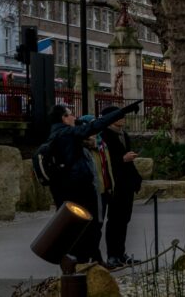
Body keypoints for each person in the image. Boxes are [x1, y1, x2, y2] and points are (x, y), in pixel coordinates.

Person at [45, 99, 139, 266]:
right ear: (63, 118)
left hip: (75, 188)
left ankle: (91, 262)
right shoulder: (66, 134)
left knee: (88, 227)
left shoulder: (61, 134)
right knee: (87, 227)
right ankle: (81, 264)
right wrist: (120, 112)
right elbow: (92, 127)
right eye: (71, 114)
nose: (74, 117)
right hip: (77, 190)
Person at [100, 107, 144, 266]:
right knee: (114, 220)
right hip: (114, 183)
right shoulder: (104, 135)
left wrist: (135, 178)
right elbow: (104, 160)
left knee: (124, 218)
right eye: (119, 116)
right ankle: (112, 254)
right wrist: (122, 159)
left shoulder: (123, 134)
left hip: (127, 183)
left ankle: (121, 252)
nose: (123, 118)